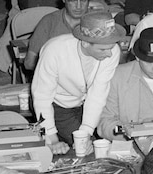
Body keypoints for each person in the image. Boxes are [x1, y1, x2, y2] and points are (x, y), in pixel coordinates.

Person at [31, 12, 124, 151]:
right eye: (103, 49)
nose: (109, 54)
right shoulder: (54, 51)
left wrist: (86, 132)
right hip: (57, 105)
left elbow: (98, 95)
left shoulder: (112, 51)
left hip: (85, 103)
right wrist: (51, 138)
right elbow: (42, 97)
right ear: (85, 42)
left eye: (111, 47)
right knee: (80, 148)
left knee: (94, 145)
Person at [23, 0, 91, 71]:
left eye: (83, 0)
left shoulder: (96, 22)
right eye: (73, 0)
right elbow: (29, 62)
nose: (78, 6)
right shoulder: (49, 22)